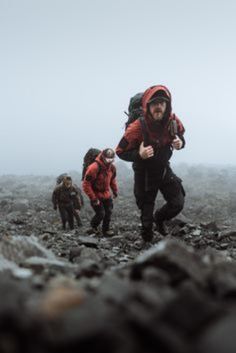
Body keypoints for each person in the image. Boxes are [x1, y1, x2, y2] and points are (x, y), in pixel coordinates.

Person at [116, 85, 185, 241]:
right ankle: (146, 244)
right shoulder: (137, 127)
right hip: (144, 173)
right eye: (155, 103)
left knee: (177, 203)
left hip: (162, 169)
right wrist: (139, 154)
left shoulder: (173, 121)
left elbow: (181, 135)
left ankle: (159, 219)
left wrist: (181, 142)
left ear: (167, 105)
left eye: (162, 102)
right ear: (148, 106)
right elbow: (120, 152)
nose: (159, 106)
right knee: (146, 218)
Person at [83, 148, 118, 236]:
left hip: (106, 194)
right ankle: (93, 226)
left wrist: (115, 191)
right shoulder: (93, 168)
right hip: (95, 194)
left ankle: (106, 230)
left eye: (111, 159)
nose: (109, 161)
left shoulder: (112, 168)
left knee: (108, 212)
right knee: (101, 213)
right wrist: (93, 198)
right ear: (103, 157)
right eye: (107, 159)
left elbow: (112, 180)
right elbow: (86, 184)